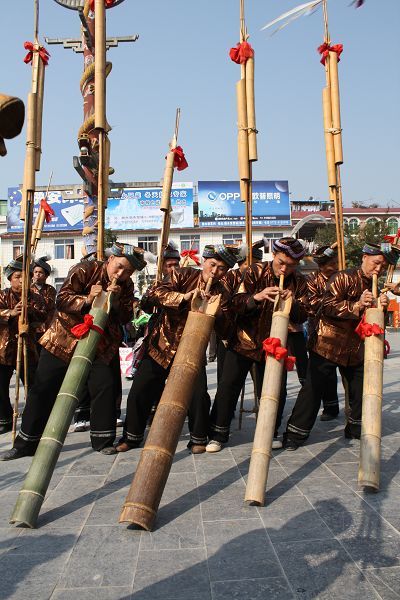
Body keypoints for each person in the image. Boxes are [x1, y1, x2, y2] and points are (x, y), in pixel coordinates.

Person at [0, 242, 146, 460]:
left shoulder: (127, 285)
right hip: (64, 337)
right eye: (118, 267)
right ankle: (26, 443)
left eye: (127, 271)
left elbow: (125, 317)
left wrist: (114, 302)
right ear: (109, 260)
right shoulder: (84, 270)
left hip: (101, 342)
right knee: (42, 388)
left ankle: (102, 439)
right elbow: (62, 299)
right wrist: (87, 299)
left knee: (104, 386)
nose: (121, 273)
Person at [116, 244, 238, 455]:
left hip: (192, 350)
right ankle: (132, 436)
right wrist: (184, 297)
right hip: (161, 344)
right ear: (203, 262)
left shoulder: (223, 293)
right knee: (140, 391)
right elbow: (155, 294)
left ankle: (198, 437)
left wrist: (217, 314)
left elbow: (226, 331)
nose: (215, 271)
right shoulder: (182, 274)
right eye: (213, 265)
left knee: (198, 395)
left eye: (221, 269)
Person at [283, 243, 397, 451]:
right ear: (364, 258)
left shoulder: (375, 284)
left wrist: (380, 305)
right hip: (328, 342)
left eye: (383, 265)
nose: (378, 269)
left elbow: (371, 318)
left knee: (360, 388)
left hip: (355, 346)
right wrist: (357, 304)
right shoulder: (342, 277)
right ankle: (295, 434)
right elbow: (325, 306)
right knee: (313, 389)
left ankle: (355, 428)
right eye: (376, 263)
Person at [207, 237, 308, 453]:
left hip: (275, 343)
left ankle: (270, 431)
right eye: (281, 262)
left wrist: (293, 303)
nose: (284, 268)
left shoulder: (299, 282)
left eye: (290, 266)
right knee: (228, 386)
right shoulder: (253, 272)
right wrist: (257, 297)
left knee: (274, 390)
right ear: (274, 255)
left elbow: (302, 316)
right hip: (244, 340)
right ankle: (217, 433)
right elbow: (233, 304)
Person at [0, 258, 46, 434]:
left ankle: (33, 419)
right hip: (3, 350)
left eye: (24, 276)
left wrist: (29, 311)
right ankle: (4, 419)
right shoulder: (3, 295)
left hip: (28, 348)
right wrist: (10, 313)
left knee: (32, 386)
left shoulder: (35, 296)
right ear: (10, 279)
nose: (21, 280)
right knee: (1, 388)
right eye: (17, 276)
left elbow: (43, 315)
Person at [30, 255, 56, 333]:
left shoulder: (50, 289)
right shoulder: (27, 288)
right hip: (30, 325)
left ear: (46, 276)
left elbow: (48, 305)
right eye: (35, 272)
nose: (37, 274)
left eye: (40, 272)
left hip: (46, 325)